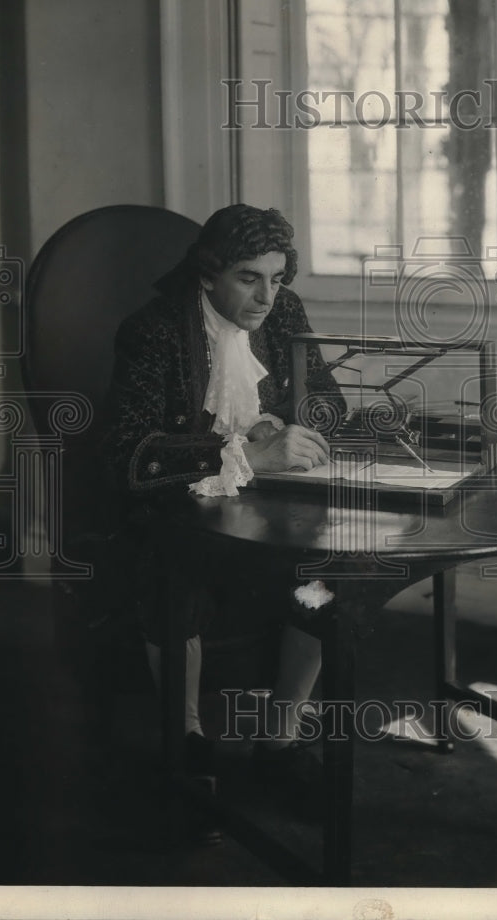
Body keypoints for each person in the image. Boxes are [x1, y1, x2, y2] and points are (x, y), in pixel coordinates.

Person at [104, 203, 345, 811]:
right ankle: (185, 742)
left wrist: (287, 425)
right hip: (176, 510)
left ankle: (280, 740)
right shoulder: (154, 331)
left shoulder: (283, 312)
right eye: (248, 277)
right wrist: (243, 454)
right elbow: (130, 457)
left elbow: (329, 404)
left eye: (277, 277)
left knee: (324, 578)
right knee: (174, 576)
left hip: (266, 509)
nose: (267, 296)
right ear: (207, 275)